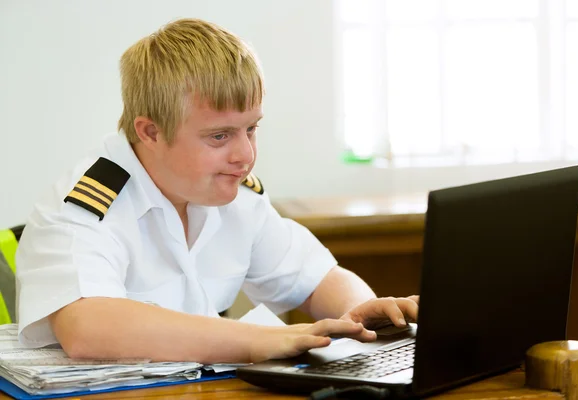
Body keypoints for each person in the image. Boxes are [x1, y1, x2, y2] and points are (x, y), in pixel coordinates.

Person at [16, 18, 419, 364]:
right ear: (150, 131)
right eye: (219, 136)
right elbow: (87, 327)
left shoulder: (232, 196)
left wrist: (359, 314)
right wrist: (263, 341)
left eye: (251, 129)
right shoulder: (84, 206)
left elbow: (315, 278)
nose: (244, 155)